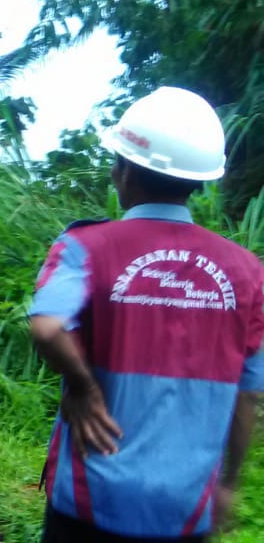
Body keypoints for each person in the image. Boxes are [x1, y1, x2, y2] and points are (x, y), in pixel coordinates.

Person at [28, 86, 263, 542]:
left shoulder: (84, 247)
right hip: (186, 504)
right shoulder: (248, 272)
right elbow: (247, 394)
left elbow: (47, 326)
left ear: (124, 173)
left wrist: (84, 385)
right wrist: (230, 482)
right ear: (200, 181)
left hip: (90, 495)